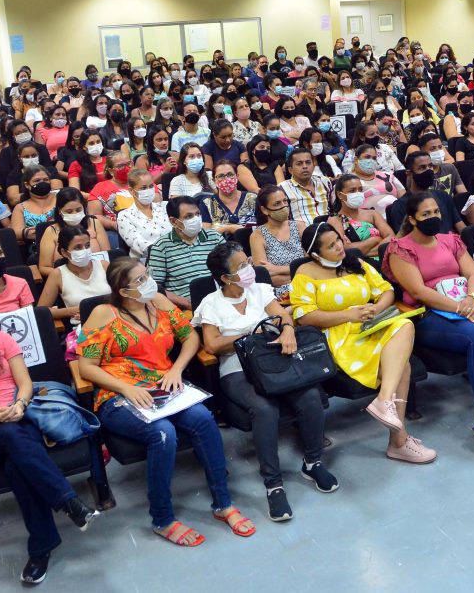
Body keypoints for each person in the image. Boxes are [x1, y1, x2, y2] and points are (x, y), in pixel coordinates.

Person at [78, 257, 254, 546]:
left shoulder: (158, 302)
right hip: (118, 395)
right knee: (164, 434)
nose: (148, 282)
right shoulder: (103, 314)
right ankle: (162, 518)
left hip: (164, 386)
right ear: (123, 291)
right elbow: (86, 367)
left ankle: (223, 503)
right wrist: (126, 388)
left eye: (146, 275)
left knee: (203, 420)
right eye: (139, 280)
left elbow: (189, 339)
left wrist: (176, 369)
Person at [0, 291, 100, 583]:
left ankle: (41, 548)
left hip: (20, 414)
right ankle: (67, 501)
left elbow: (25, 382)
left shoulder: (1, 340)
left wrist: (20, 405)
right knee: (12, 437)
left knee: (17, 465)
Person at [193, 243, 333, 521]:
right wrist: (249, 335)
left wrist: (289, 329)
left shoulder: (260, 289)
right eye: (241, 266)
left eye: (248, 262)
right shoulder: (212, 303)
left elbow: (282, 315)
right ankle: (273, 484)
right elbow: (212, 344)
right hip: (237, 368)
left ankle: (312, 462)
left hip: (275, 360)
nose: (249, 269)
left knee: (310, 396)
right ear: (225, 277)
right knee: (265, 409)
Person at [383, 193, 474, 460]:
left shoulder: (451, 240)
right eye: (426, 214)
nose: (434, 217)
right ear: (412, 219)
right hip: (430, 314)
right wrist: (462, 308)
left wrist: (471, 299)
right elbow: (418, 291)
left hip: (467, 302)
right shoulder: (400, 248)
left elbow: (472, 273)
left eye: (436, 212)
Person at [292, 224, 437, 462]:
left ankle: (384, 401)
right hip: (339, 337)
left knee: (406, 324)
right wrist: (349, 315)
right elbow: (304, 316)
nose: (339, 246)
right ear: (315, 254)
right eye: (331, 246)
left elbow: (386, 290)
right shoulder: (305, 274)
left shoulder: (354, 262)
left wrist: (376, 308)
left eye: (338, 240)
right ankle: (398, 440)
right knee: (404, 366)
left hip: (370, 325)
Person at [147, 197, 224, 309]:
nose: (196, 219)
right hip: (188, 308)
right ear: (174, 221)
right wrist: (188, 304)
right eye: (189, 216)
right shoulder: (161, 247)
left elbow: (232, 269)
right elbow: (155, 287)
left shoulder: (215, 238)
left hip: (222, 301)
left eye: (197, 214)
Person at [38, 225, 111, 325]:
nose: (84, 250)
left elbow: (123, 296)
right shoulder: (57, 275)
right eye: (78, 248)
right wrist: (74, 311)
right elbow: (41, 311)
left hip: (112, 321)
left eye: (87, 245)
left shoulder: (104, 266)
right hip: (83, 329)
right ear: (64, 252)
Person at [37, 188, 110, 277]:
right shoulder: (51, 231)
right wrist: (68, 276)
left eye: (78, 210)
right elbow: (44, 267)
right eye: (69, 211)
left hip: (97, 275)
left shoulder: (94, 223)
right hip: (66, 278)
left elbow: (107, 256)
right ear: (60, 211)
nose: (75, 214)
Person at [387, 151, 466, 234]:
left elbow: (460, 226)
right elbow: (403, 239)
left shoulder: (443, 196)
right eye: (422, 168)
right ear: (409, 173)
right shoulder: (400, 206)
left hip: (451, 243)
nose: (428, 170)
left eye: (430, 166)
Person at [250, 186, 304, 298]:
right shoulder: (257, 236)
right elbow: (265, 277)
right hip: (279, 295)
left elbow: (313, 264)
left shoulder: (300, 226)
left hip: (308, 286)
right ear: (265, 210)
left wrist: (278, 269)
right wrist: (302, 272)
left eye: (285, 201)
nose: (283, 206)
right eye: (277, 204)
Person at [328, 175, 395, 259]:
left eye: (360, 190)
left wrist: (366, 253)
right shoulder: (335, 220)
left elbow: (391, 237)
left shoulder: (372, 214)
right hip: (358, 264)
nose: (358, 194)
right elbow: (344, 248)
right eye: (352, 191)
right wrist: (374, 240)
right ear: (340, 195)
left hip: (385, 258)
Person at [117, 169, 171, 260]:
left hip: (175, 257)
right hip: (145, 262)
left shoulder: (165, 207)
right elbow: (136, 242)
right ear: (131, 191)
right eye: (143, 188)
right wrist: (161, 253)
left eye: (151, 186)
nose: (148, 190)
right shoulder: (125, 216)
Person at [349, 143, 406, 219]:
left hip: (397, 217)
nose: (371, 161)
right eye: (367, 157)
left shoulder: (388, 175)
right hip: (366, 222)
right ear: (356, 159)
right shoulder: (347, 181)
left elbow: (404, 199)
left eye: (374, 158)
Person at [278, 149, 333, 227]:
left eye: (308, 162)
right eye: (299, 164)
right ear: (290, 170)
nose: (305, 166)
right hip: (302, 234)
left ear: (313, 166)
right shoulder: (282, 188)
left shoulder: (325, 181)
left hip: (330, 231)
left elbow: (335, 209)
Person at [202, 160, 256, 234]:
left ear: (237, 176)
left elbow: (264, 228)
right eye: (221, 176)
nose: (227, 179)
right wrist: (228, 228)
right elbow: (206, 234)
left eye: (230, 174)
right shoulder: (207, 202)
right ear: (214, 180)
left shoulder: (253, 198)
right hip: (220, 244)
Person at [10, 165, 56, 247]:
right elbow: (16, 232)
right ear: (27, 185)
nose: (42, 183)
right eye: (37, 180)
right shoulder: (20, 208)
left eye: (46, 180)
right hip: (36, 248)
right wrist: (27, 233)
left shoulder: (60, 197)